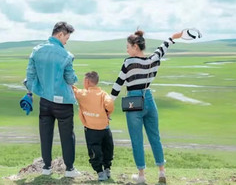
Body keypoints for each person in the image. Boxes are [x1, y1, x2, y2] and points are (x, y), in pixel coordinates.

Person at [110, 29, 182, 185]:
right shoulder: (152, 60)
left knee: (137, 139)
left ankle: (141, 176)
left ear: (135, 46)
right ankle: (161, 172)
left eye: (128, 46)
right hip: (149, 99)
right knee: (155, 137)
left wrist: (109, 101)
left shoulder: (128, 62)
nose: (126, 49)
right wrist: (173, 37)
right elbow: (162, 49)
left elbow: (118, 84)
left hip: (133, 101)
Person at [24, 21, 81, 178]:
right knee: (67, 136)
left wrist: (30, 93)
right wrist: (75, 78)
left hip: (45, 102)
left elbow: (29, 77)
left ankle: (46, 168)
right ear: (60, 34)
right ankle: (69, 170)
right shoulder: (66, 56)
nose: (66, 42)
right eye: (66, 38)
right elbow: (70, 79)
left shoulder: (36, 51)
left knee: (45, 134)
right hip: (63, 103)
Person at [72, 71, 114, 181]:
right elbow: (109, 103)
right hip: (105, 127)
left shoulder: (82, 94)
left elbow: (73, 90)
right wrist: (107, 113)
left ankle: (100, 172)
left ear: (87, 81)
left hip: (91, 129)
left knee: (94, 150)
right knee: (107, 148)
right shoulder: (103, 93)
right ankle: (107, 168)